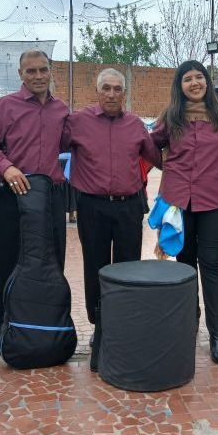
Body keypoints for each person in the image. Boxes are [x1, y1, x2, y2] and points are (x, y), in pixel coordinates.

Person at [63, 68, 162, 368]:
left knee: (128, 265)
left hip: (128, 207)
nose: (111, 94)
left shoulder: (135, 125)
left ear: (124, 93)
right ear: (97, 91)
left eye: (117, 89)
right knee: (95, 265)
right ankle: (99, 324)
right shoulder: (77, 122)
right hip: (92, 206)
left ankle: (124, 322)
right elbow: (50, 149)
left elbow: (159, 158)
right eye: (106, 88)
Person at [0, 49, 69, 358]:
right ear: (20, 74)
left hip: (51, 197)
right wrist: (6, 167)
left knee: (52, 263)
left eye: (43, 70)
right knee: (5, 262)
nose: (38, 76)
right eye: (31, 71)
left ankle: (45, 324)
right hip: (14, 196)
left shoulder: (61, 110)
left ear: (50, 70)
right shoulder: (5, 107)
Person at [151, 61, 218, 365]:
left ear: (207, 82)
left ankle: (217, 335)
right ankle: (189, 324)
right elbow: (151, 147)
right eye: (187, 79)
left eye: (198, 77)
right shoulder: (170, 117)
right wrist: (169, 169)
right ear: (180, 85)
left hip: (215, 201)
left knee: (211, 267)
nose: (194, 83)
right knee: (185, 265)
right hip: (179, 204)